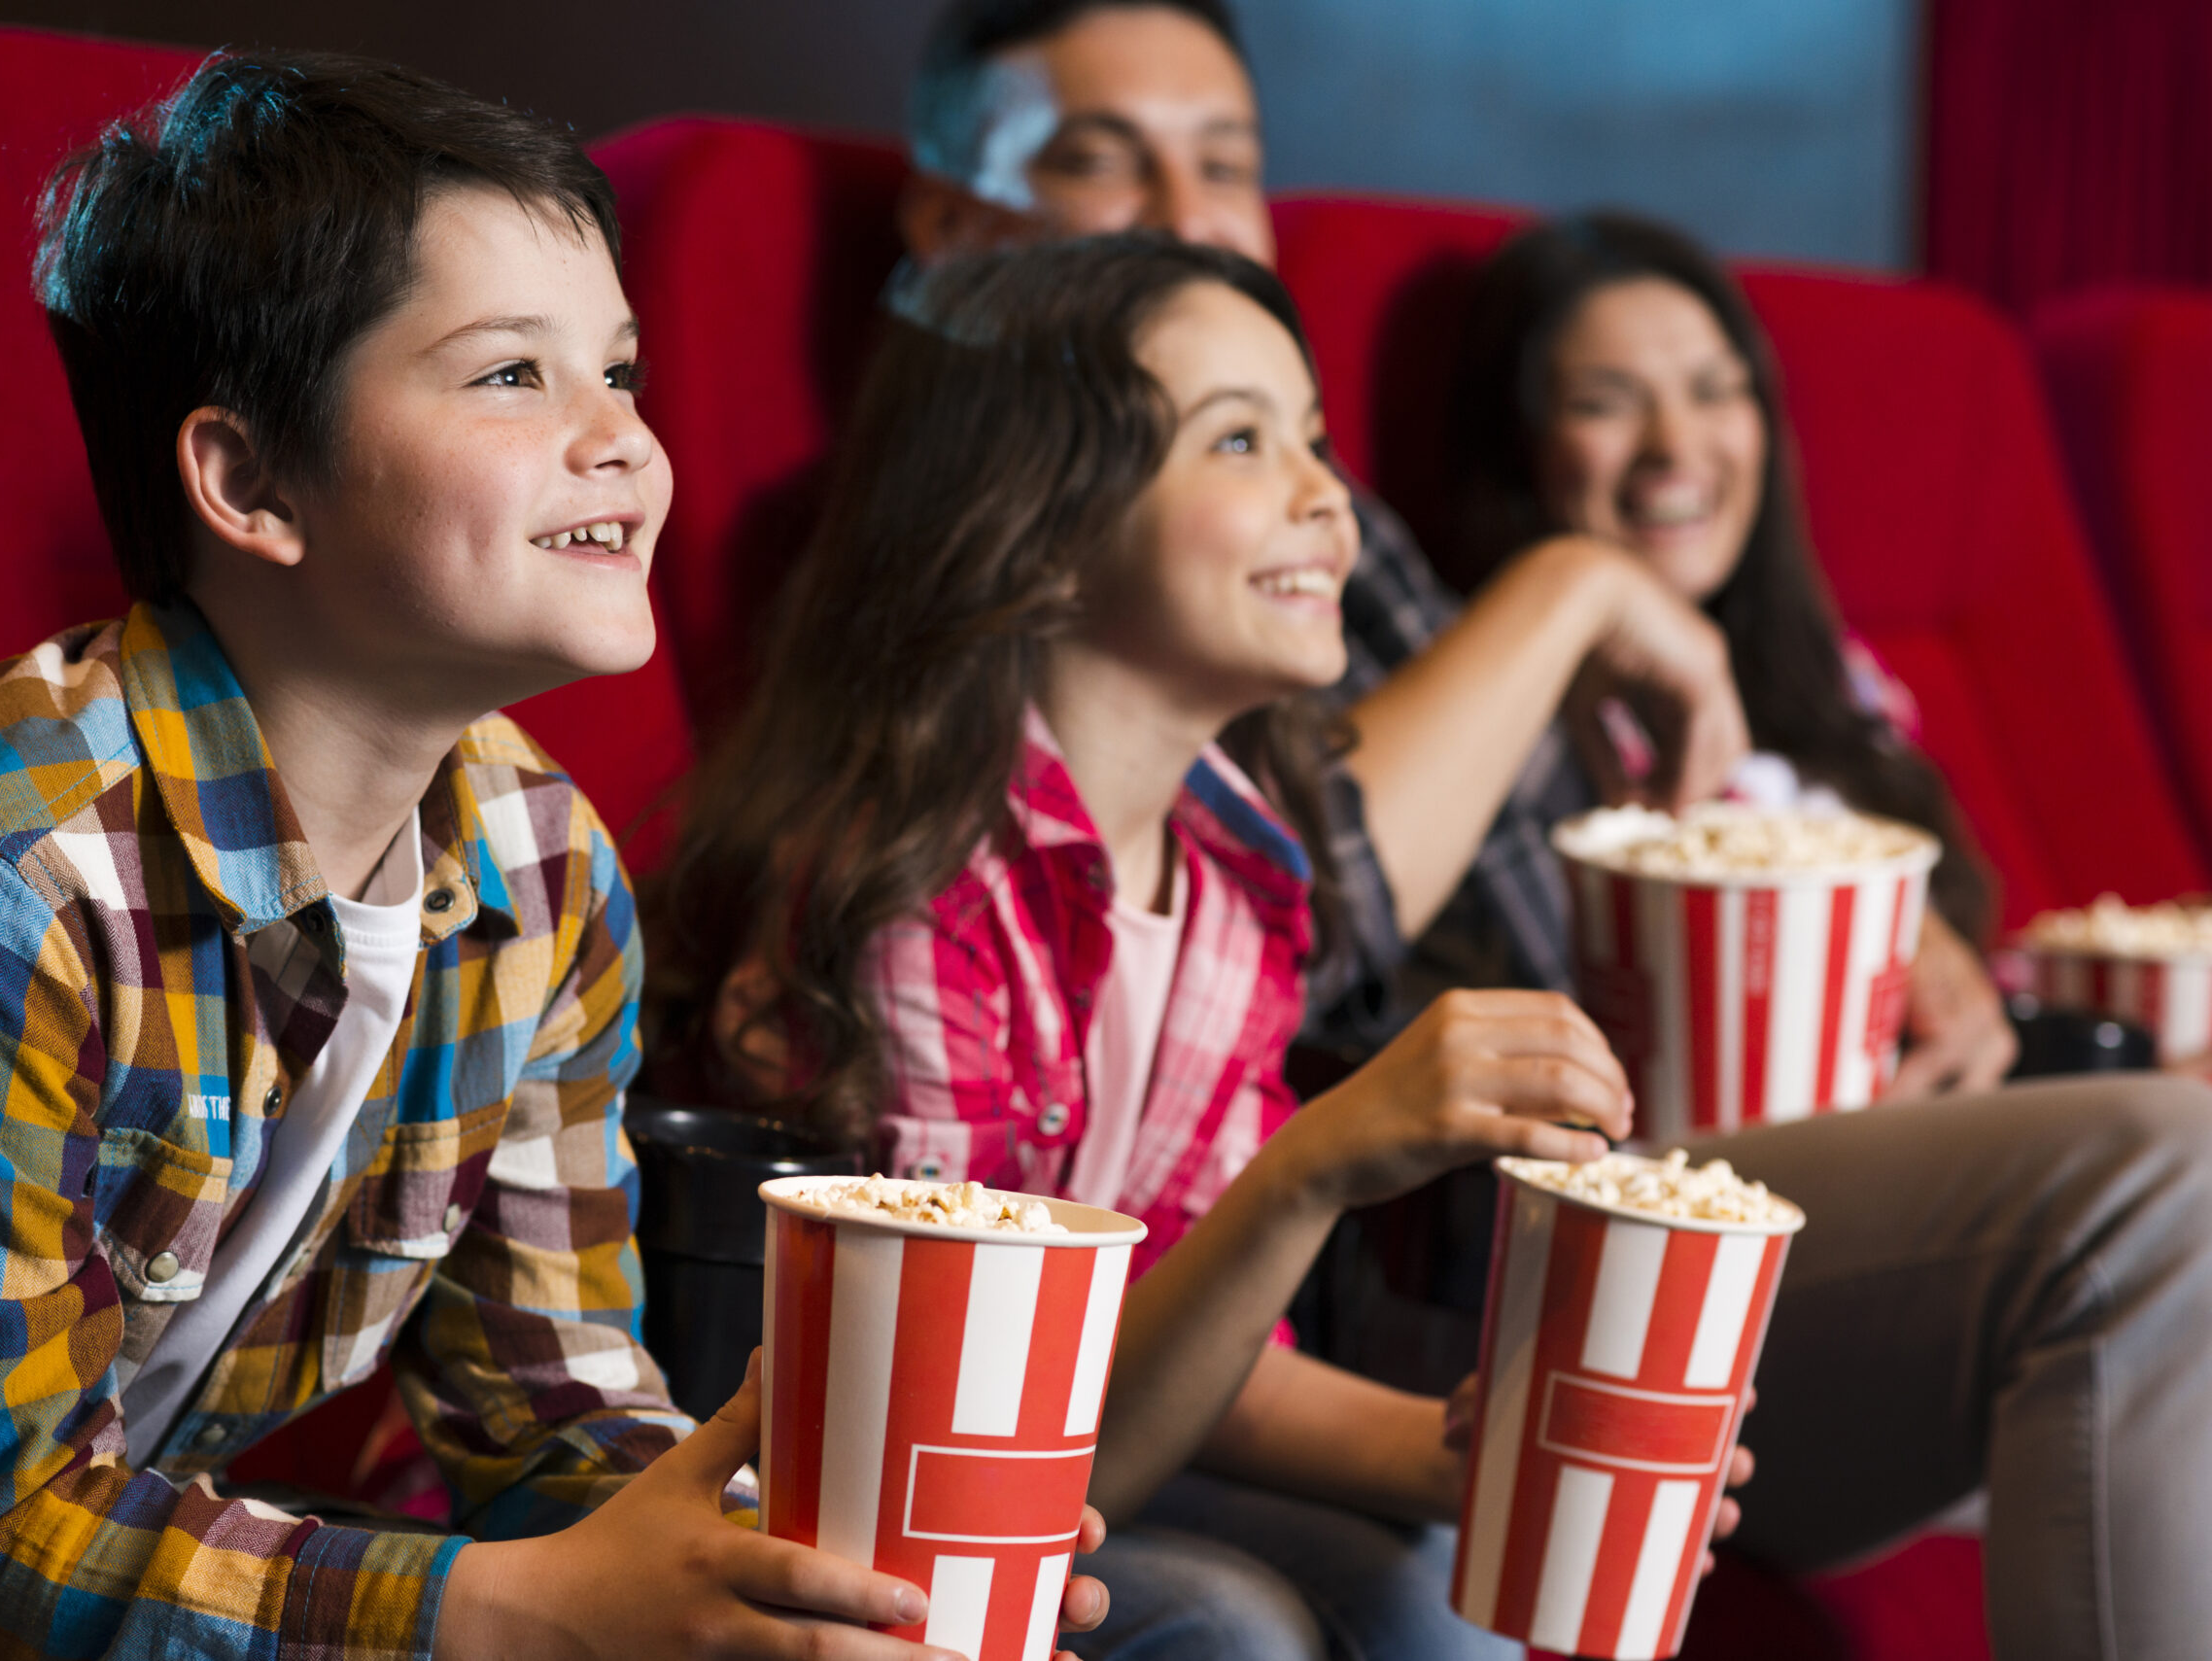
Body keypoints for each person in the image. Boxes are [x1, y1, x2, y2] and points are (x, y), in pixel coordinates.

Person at [0, 52, 1102, 1661]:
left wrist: (794, 1568)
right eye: (513, 375)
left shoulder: (546, 862)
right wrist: (519, 1607)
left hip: (114, 1567)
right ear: (249, 479)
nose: (623, 442)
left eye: (624, 368)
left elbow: (551, 1405)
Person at [885, 6, 2212, 1659]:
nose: (1183, 204)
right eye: (1102, 154)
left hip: (1422, 1265)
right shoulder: (991, 728)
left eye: (1226, 159)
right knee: (2173, 1176)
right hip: (1488, 1222)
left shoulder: (1257, 795)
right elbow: (1345, 903)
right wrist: (1581, 593)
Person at [653, 231, 1686, 1661]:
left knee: (1448, 1580)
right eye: (1242, 440)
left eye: (1316, 440)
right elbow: (972, 1463)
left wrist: (1490, 1449)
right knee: (1235, 1630)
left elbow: (1210, 1354)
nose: (1328, 497)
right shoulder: (909, 884)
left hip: (1081, 1465)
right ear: (1045, 528)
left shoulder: (1240, 879)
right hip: (828, 1532)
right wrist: (1322, 1159)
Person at [1429, 208, 2014, 1093]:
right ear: (1520, 454)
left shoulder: (1834, 675)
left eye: (1713, 391)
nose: (1675, 446)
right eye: (1605, 405)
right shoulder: (1502, 715)